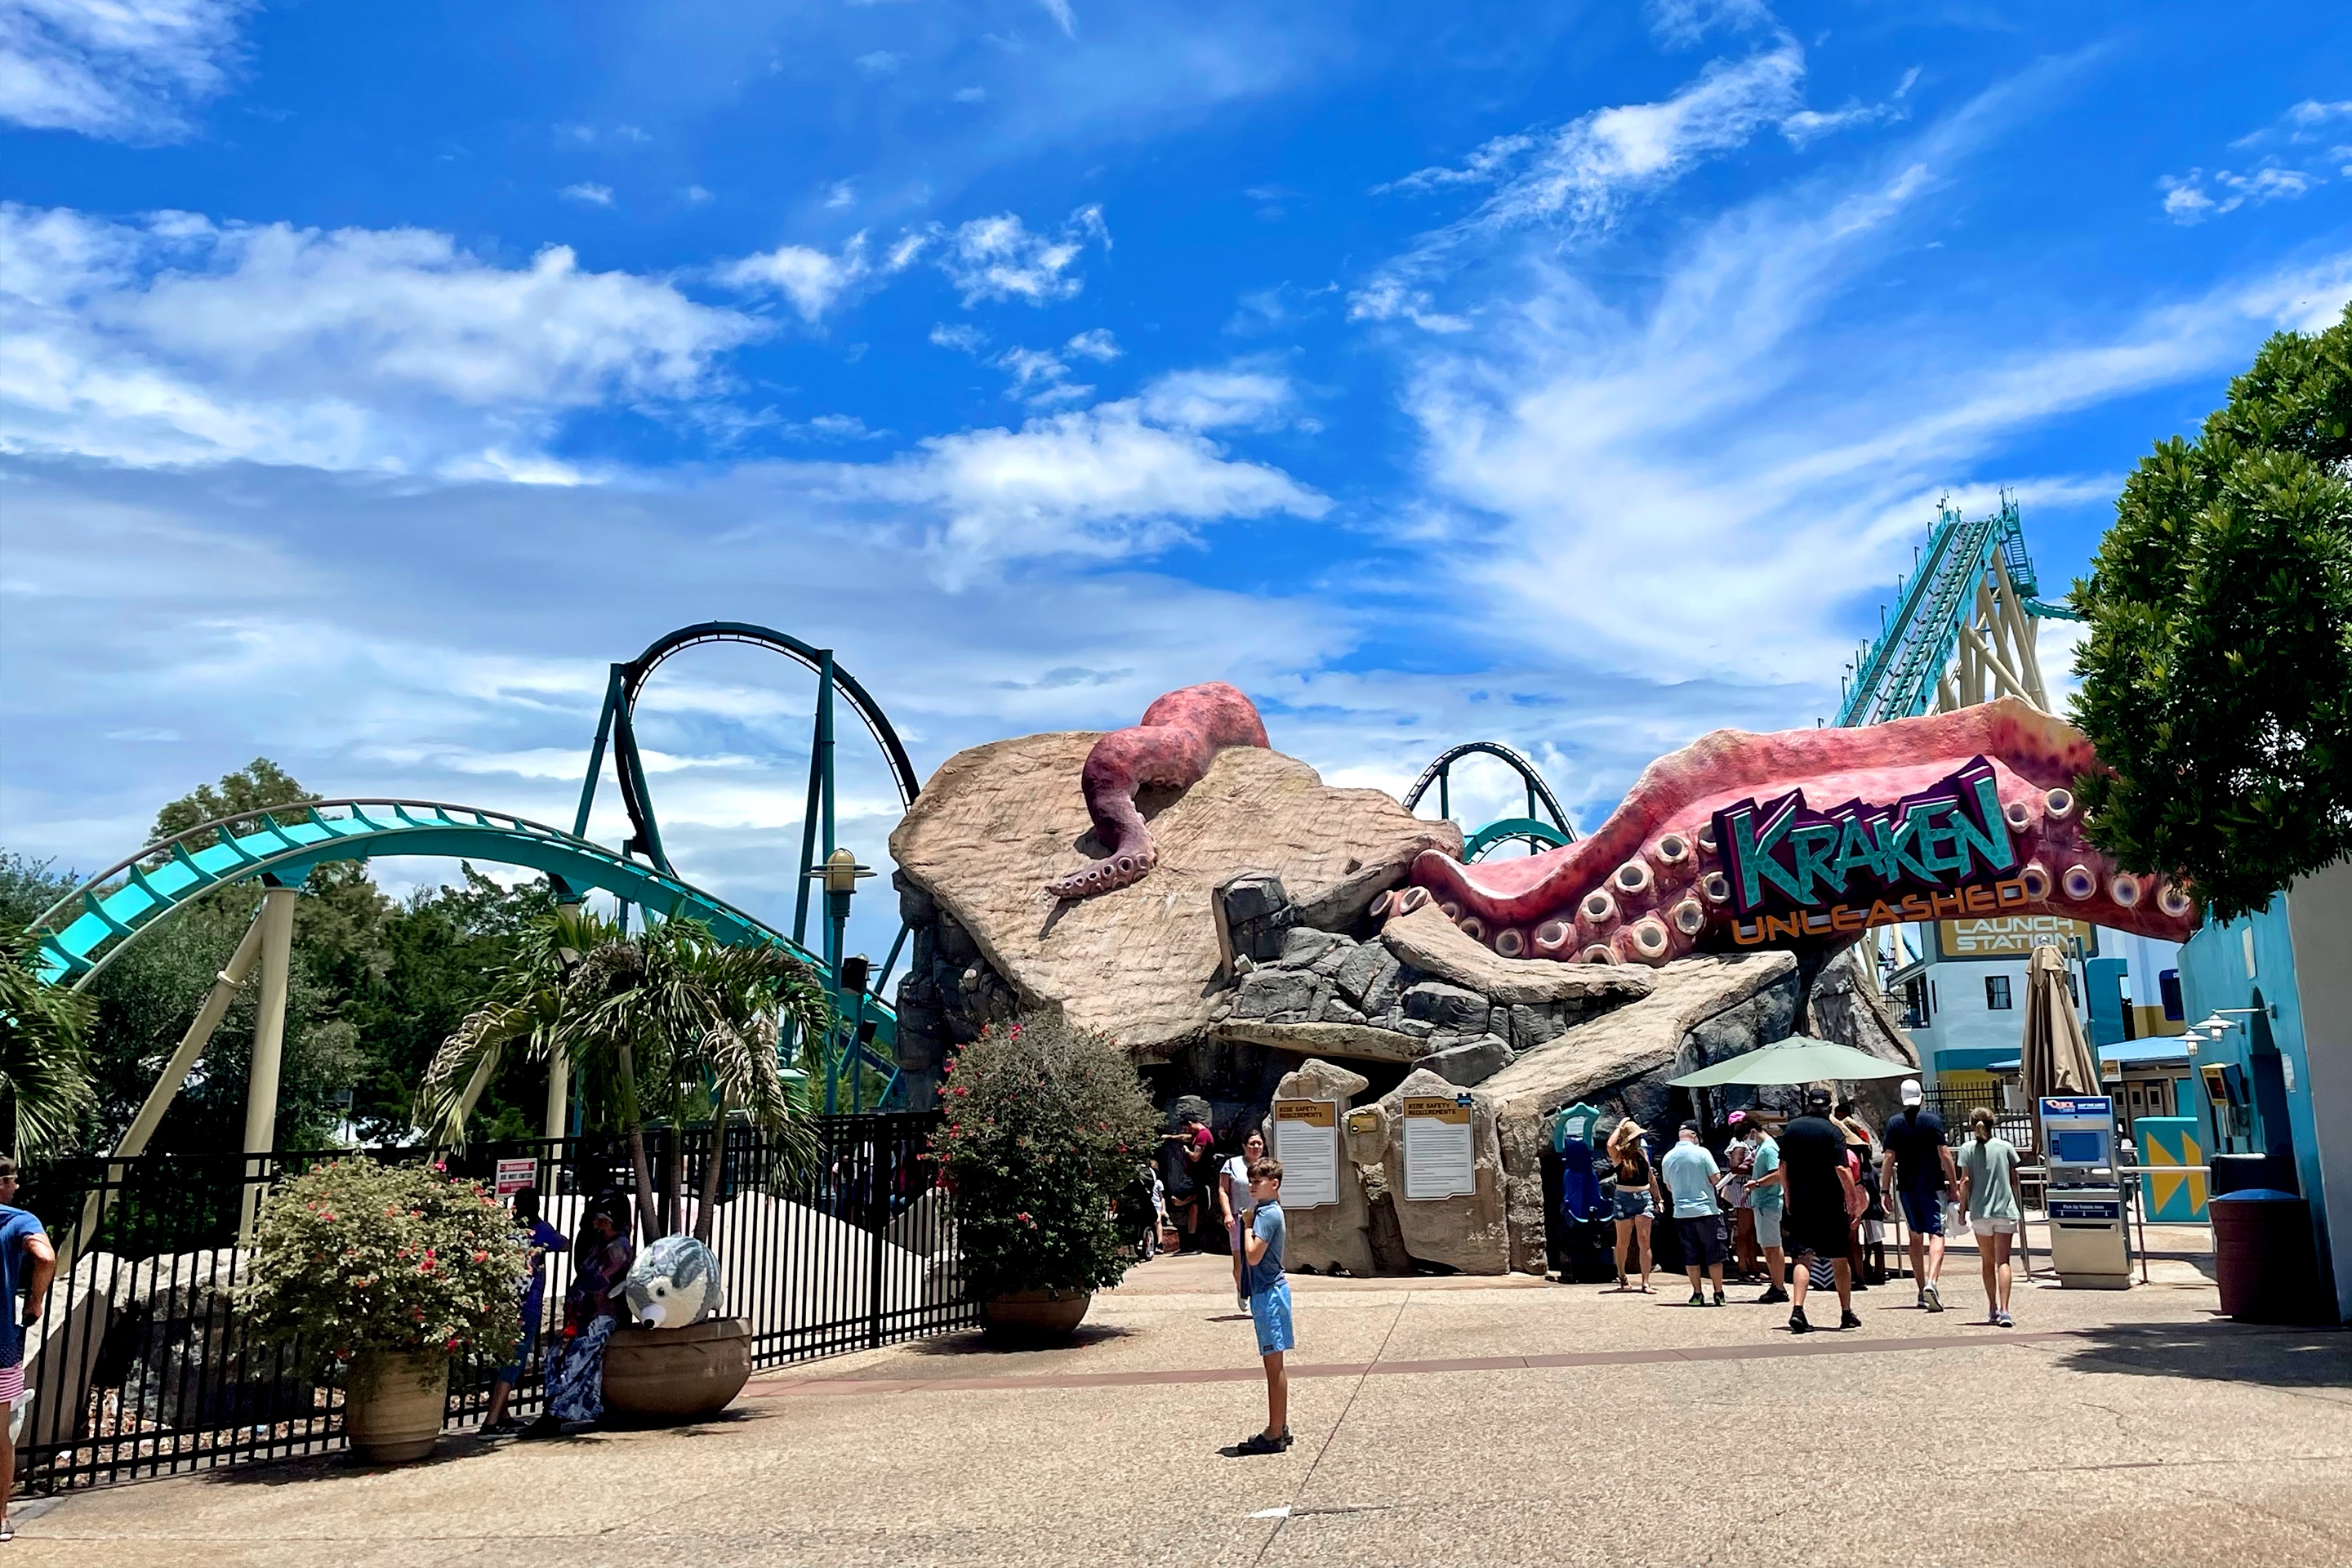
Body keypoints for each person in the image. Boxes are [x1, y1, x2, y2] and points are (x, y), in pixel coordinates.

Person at [524, 1192, 635, 1437]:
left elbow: (597, 1281)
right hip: (584, 1315)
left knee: (574, 1361)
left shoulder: (618, 1248)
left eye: (600, 1219)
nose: (595, 1224)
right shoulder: (601, 1243)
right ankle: (566, 1411)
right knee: (558, 1357)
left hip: (601, 1316)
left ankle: (553, 1416)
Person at [1752, 1088, 1860, 1334]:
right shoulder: (1833, 1132)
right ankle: (1845, 1312)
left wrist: (1788, 1196)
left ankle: (1798, 1309)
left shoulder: (1793, 1129)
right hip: (1830, 1204)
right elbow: (1842, 1170)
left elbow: (1783, 1165)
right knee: (1839, 1258)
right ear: (1829, 1107)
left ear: (1809, 1105)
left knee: (1802, 1257)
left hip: (1800, 1203)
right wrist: (1853, 1202)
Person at [0, 1159, 56, 1543]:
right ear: (1, 1183)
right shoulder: (17, 1220)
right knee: (0, 1434)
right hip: (1, 1344)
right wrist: (34, 1302)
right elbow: (47, 1258)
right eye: (14, 1180)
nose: (17, 1187)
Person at [483, 1186, 568, 1435]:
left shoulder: (506, 1231)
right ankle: (491, 1421)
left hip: (503, 1301)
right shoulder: (540, 1230)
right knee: (516, 1358)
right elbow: (564, 1244)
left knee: (500, 1356)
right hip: (527, 1303)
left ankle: (502, 1412)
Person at [1879, 1079, 1958, 1313]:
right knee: (1937, 1233)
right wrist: (1953, 1184)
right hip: (1932, 1186)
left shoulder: (1894, 1123)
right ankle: (1933, 1282)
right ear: (1921, 1097)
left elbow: (1888, 1158)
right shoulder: (1932, 1120)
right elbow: (1944, 1154)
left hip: (1906, 1187)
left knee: (1914, 1236)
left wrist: (1884, 1190)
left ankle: (1921, 1287)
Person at [1232, 1158, 1293, 1455]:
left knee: (1273, 1365)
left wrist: (1246, 1226)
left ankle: (1274, 1432)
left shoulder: (1266, 1216)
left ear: (1274, 1184)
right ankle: (1279, 1424)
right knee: (1273, 1363)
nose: (1253, 1186)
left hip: (1269, 1293)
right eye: (1251, 1181)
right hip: (1266, 1292)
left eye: (1258, 1181)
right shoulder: (1265, 1212)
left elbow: (1253, 1255)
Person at [1954, 1107, 2023, 1327]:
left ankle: (1992, 1307)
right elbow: (2014, 1178)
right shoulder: (2005, 1147)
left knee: (1987, 1261)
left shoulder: (1966, 1149)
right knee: (2003, 1261)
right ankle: (2005, 1310)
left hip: (1980, 1211)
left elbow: (1964, 1181)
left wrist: (1962, 1210)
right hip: (2004, 1210)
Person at [1659, 1121, 1726, 1307]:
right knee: (1714, 1254)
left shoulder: (1668, 1157)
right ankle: (1718, 1293)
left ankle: (1697, 1293)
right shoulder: (1703, 1153)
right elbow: (1716, 1179)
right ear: (1694, 1136)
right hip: (1706, 1211)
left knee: (1691, 1255)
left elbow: (1669, 1187)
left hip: (1682, 1212)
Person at [1740, 1116, 1788, 1305]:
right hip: (1762, 1203)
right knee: (1768, 1247)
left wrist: (1757, 1184)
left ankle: (1779, 1286)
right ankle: (1776, 1283)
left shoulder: (1769, 1149)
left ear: (1753, 1132)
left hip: (1768, 1202)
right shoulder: (1762, 1148)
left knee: (1773, 1247)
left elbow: (1777, 1173)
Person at [1604, 1120, 1656, 1294]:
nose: (1639, 1140)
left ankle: (1646, 1282)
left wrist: (1658, 1198)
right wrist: (1620, 1126)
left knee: (1644, 1241)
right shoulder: (1618, 1156)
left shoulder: (1642, 1154)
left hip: (1643, 1197)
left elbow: (1650, 1176)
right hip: (1624, 1198)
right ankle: (1622, 1274)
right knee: (1623, 1242)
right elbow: (1610, 1144)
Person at [1220, 1129, 1267, 1311]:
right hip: (1239, 1216)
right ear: (1244, 1145)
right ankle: (1242, 1289)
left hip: (1262, 1216)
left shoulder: (1267, 1165)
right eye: (1252, 1143)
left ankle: (1259, 1294)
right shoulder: (1232, 1164)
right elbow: (1223, 1190)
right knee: (1240, 1258)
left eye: (1259, 1143)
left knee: (1262, 1257)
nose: (1256, 1147)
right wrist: (1227, 1214)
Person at [1721, 1113, 1758, 1281]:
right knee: (1744, 1232)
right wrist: (1758, 1171)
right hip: (1743, 1190)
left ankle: (1753, 1267)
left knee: (1751, 1232)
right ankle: (1743, 1268)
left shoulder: (1744, 1142)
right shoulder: (1739, 1144)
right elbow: (1735, 1167)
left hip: (1747, 1188)